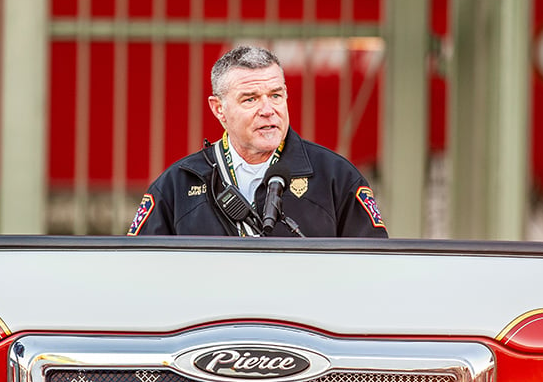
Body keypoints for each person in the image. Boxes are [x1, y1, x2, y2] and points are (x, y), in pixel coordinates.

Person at [126, 45, 388, 238]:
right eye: (250, 99)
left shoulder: (336, 178)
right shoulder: (177, 185)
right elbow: (138, 270)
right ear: (219, 109)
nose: (267, 109)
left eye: (275, 95)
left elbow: (373, 268)